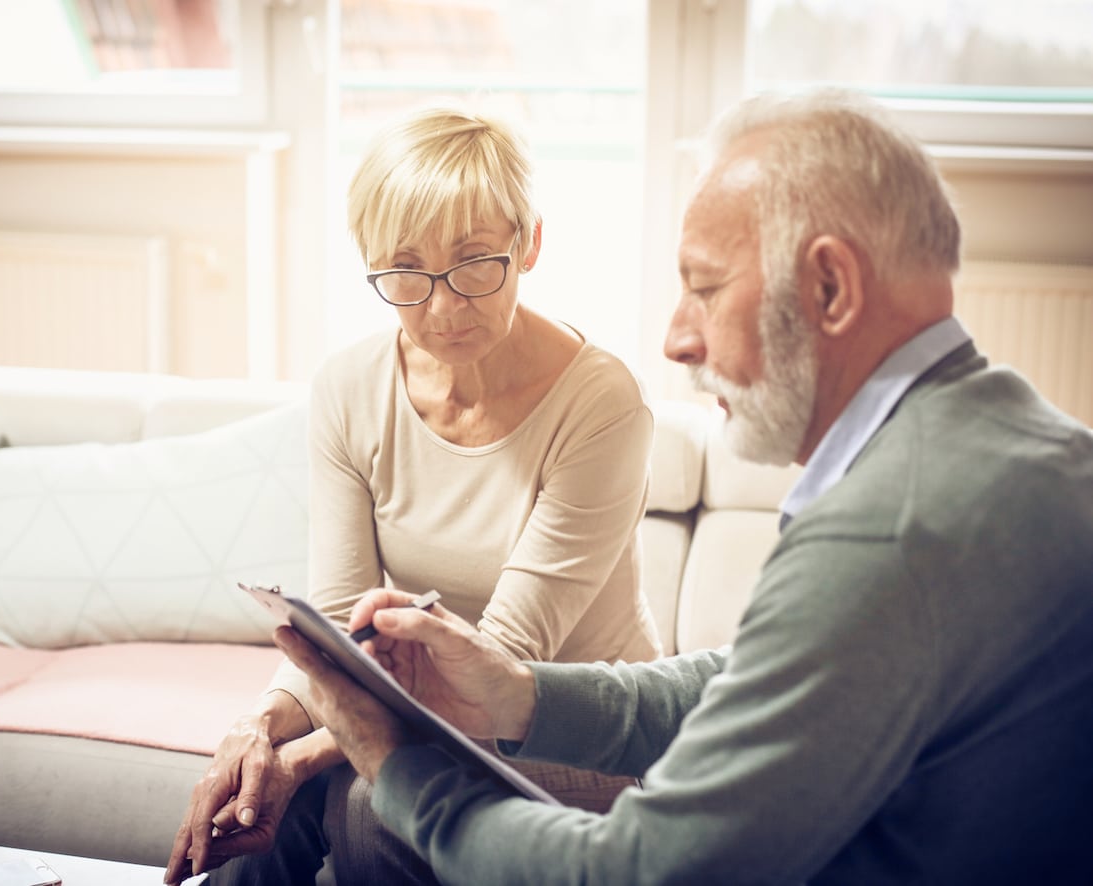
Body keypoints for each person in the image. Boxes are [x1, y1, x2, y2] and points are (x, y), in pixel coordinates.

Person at [272, 88, 1093, 884]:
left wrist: (401, 770)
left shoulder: (889, 530)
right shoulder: (1008, 446)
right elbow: (748, 680)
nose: (675, 339)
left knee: (365, 819)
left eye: (703, 287)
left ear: (830, 287)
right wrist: (520, 695)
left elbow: (638, 871)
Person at [165, 106, 663, 884]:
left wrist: (308, 756)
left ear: (528, 243)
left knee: (361, 799)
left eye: (473, 263)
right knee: (255, 794)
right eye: (406, 271)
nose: (442, 307)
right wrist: (258, 730)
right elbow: (334, 632)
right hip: (432, 709)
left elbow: (502, 662)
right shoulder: (349, 387)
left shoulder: (602, 404)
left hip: (568, 736)